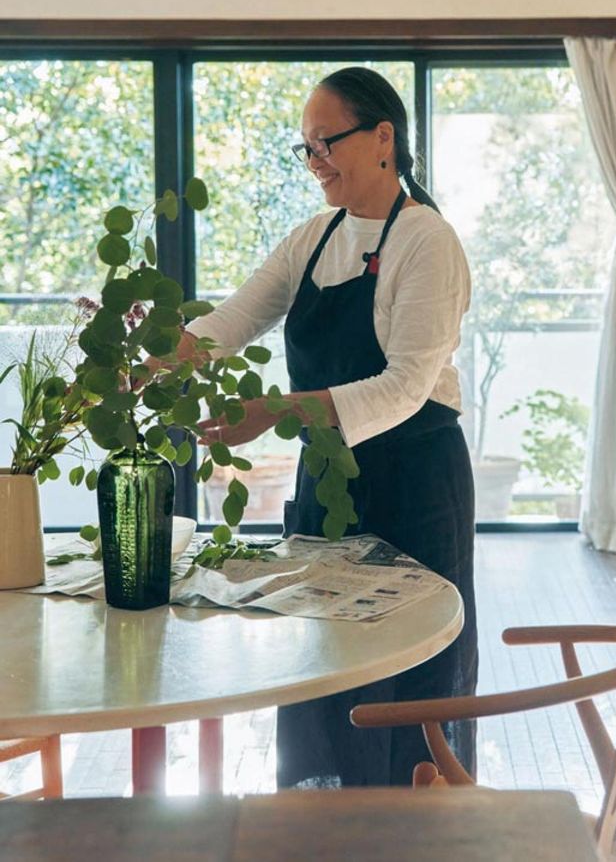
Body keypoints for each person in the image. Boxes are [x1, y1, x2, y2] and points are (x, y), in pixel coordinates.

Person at [179, 66, 478, 787]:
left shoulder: (427, 243)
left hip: (415, 480)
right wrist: (157, 358)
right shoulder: (312, 238)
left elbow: (405, 387)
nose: (315, 163)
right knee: (322, 657)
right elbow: (228, 325)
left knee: (410, 668)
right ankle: (326, 828)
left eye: (325, 144)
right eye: (305, 149)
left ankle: (413, 831)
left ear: (383, 138)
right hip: (329, 477)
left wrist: (276, 413)